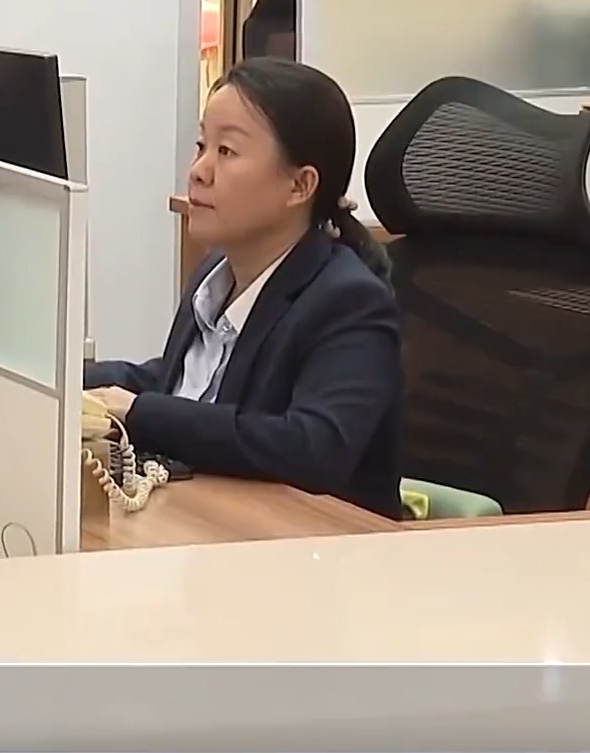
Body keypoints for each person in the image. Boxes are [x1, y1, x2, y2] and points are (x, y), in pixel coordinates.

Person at [83, 58, 403, 517]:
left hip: (315, 544)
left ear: (300, 185)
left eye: (227, 152)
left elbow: (312, 448)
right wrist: (66, 378)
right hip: (208, 524)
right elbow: (182, 386)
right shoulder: (215, 274)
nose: (199, 170)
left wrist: (138, 413)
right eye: (201, 146)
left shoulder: (349, 302)